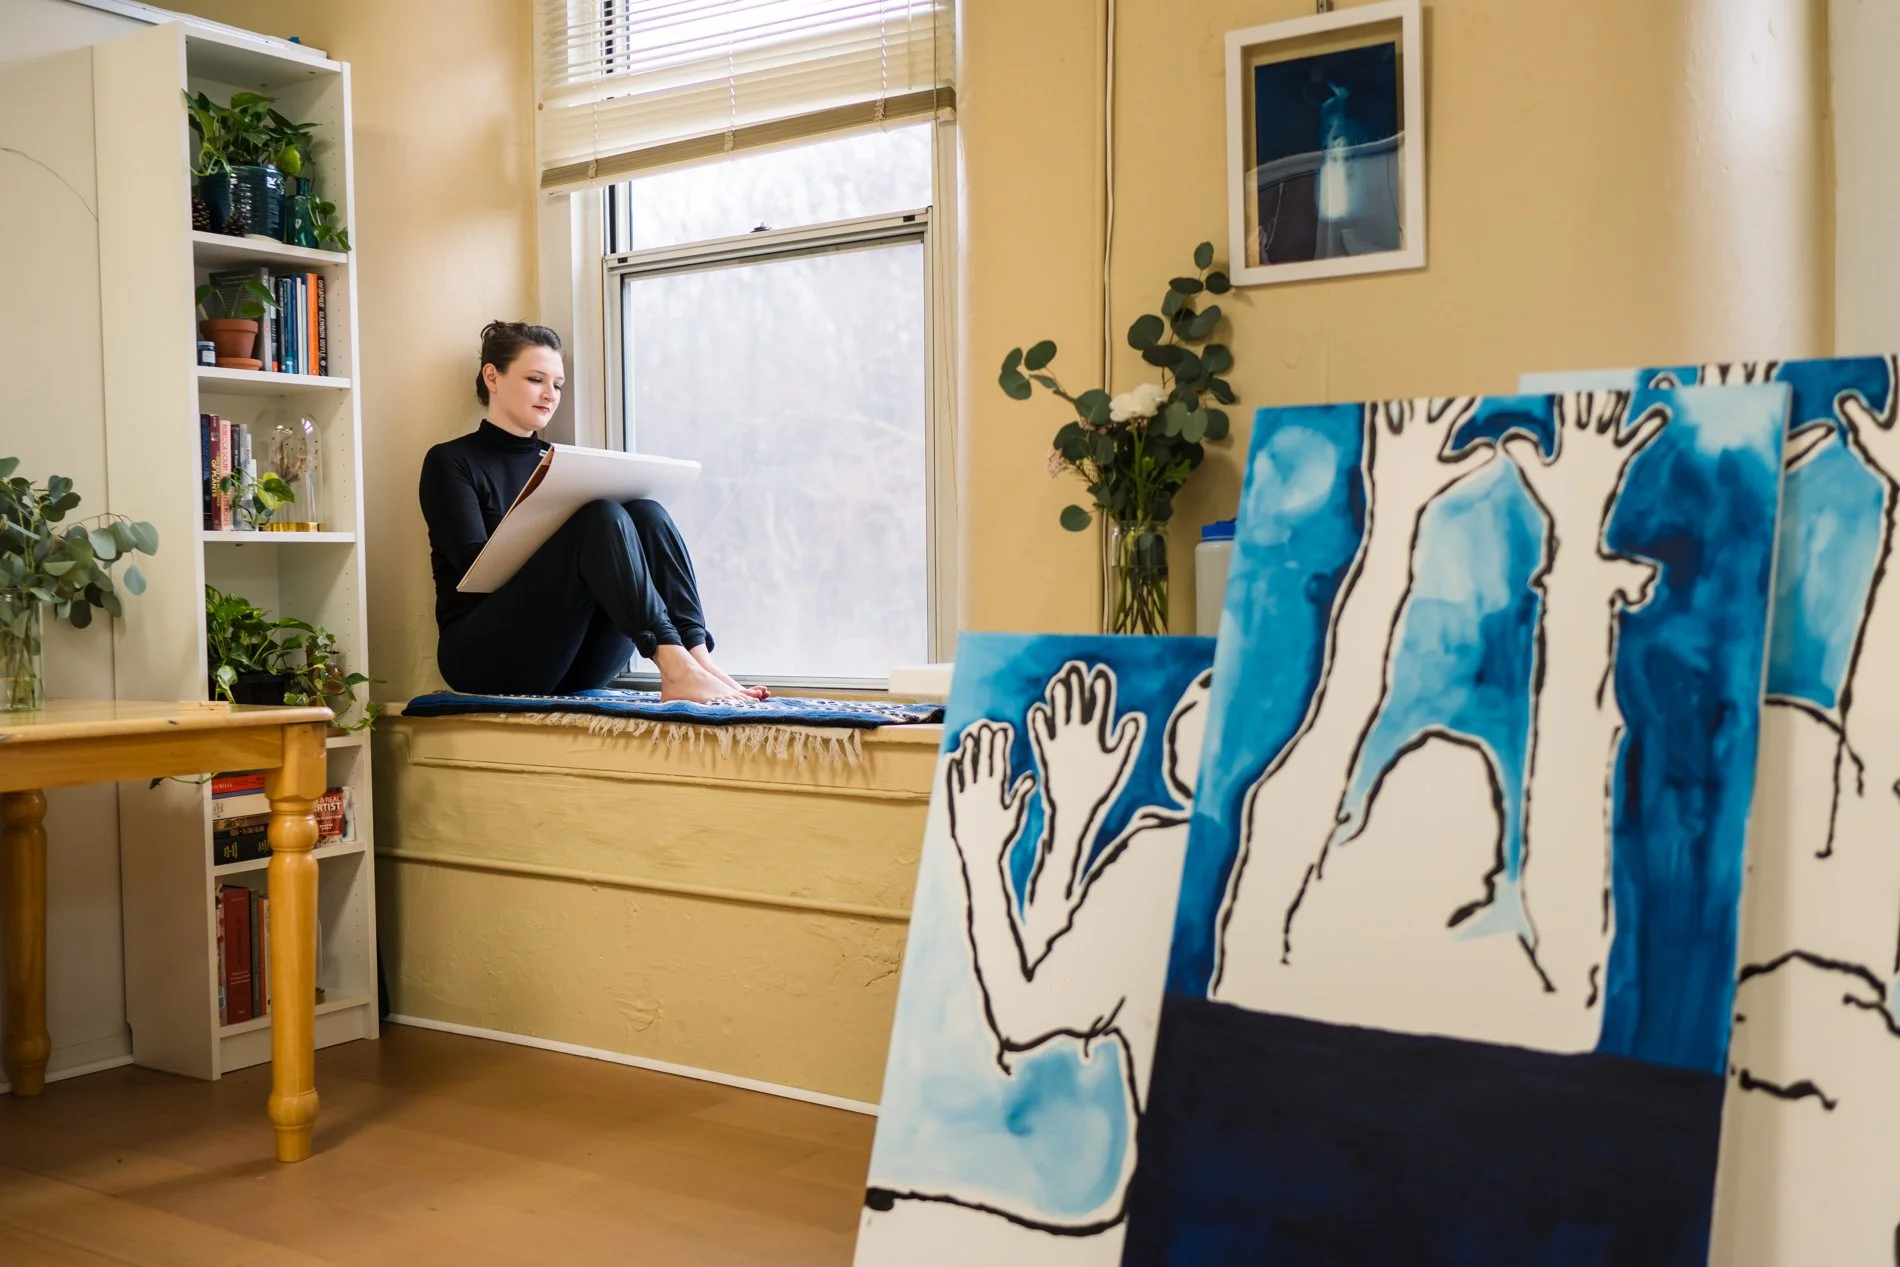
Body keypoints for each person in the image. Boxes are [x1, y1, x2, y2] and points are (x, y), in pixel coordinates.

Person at [419, 320, 764, 704]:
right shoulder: (451, 461)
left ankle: (697, 661)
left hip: (576, 660)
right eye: (535, 379)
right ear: (492, 377)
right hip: (484, 657)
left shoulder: (558, 461)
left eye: (558, 385)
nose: (550, 394)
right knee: (600, 518)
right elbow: (474, 570)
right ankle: (677, 668)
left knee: (646, 512)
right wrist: (568, 538)